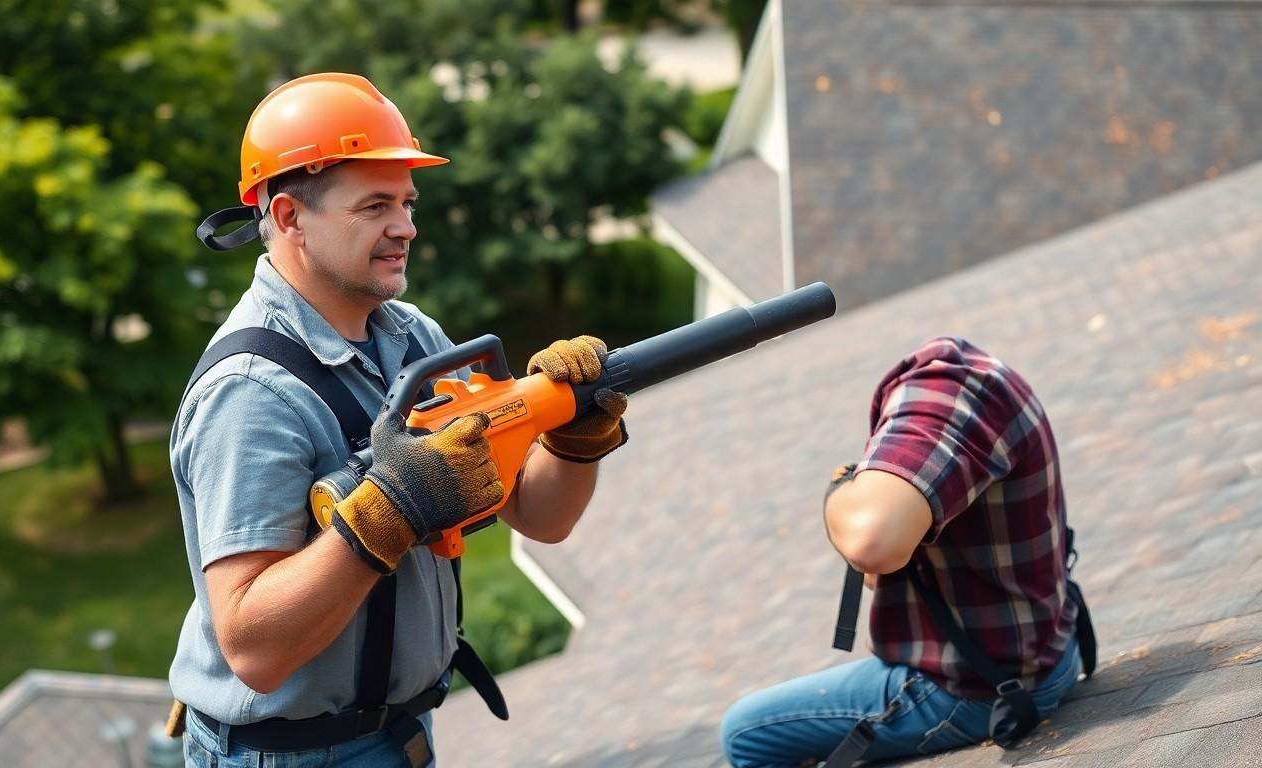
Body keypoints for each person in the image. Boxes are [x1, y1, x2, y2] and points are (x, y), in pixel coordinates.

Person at [167, 72, 629, 767]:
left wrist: (574, 439)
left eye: (407, 203)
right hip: (292, 755)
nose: (406, 227)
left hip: (394, 733)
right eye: (376, 205)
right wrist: (390, 511)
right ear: (289, 217)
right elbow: (254, 649)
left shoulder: (411, 339)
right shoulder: (252, 394)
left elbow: (540, 515)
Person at [720, 337, 1093, 767]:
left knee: (745, 732)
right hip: (1051, 651)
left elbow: (871, 547)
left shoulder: (939, 400)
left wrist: (838, 494)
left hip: (987, 687)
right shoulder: (982, 385)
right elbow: (882, 572)